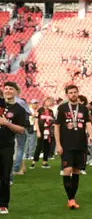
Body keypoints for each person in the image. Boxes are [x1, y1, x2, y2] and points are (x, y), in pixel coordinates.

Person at [55, 85, 92, 209]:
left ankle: (71, 198)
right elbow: (57, 127)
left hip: (80, 144)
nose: (73, 94)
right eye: (70, 92)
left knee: (76, 171)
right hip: (66, 144)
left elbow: (88, 122)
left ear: (78, 93)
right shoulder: (61, 108)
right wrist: (58, 144)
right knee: (67, 170)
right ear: (67, 94)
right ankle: (70, 198)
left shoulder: (83, 108)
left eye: (75, 92)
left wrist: (91, 135)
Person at [0, 81, 26, 215]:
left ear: (16, 92)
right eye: (6, 88)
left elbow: (21, 130)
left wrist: (6, 123)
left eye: (11, 88)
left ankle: (3, 204)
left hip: (6, 145)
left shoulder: (19, 110)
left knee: (5, 175)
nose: (8, 90)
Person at [30, 97, 55, 169]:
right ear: (44, 101)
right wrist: (38, 131)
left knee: (47, 146)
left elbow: (52, 120)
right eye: (48, 101)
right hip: (41, 130)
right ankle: (34, 161)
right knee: (39, 146)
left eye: (50, 101)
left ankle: (44, 162)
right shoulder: (40, 110)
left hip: (48, 130)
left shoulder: (51, 111)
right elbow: (36, 121)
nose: (49, 103)